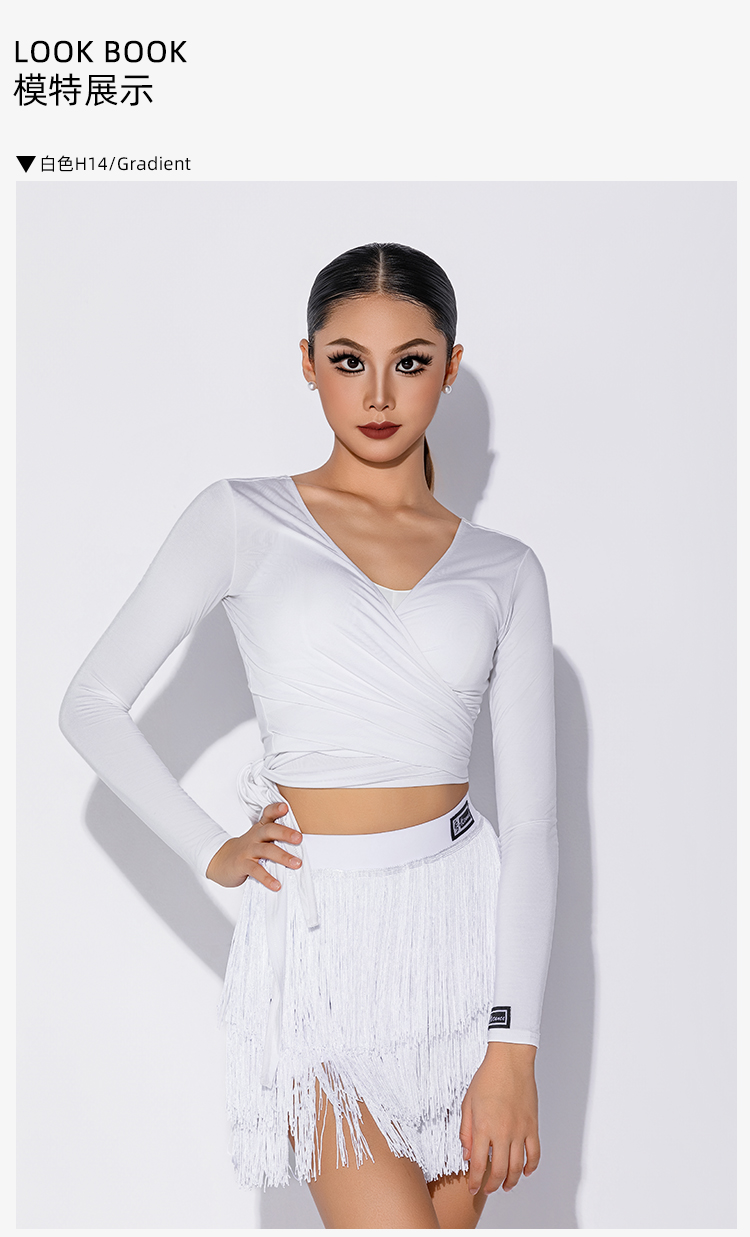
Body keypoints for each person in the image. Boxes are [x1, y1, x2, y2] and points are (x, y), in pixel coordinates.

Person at [59, 242, 558, 1230]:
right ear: (307, 362)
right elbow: (91, 701)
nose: (378, 393)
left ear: (450, 367)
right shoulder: (241, 516)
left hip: (462, 941)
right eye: (347, 360)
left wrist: (515, 1045)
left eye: (410, 362)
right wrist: (210, 845)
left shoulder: (507, 568)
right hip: (318, 944)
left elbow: (536, 825)